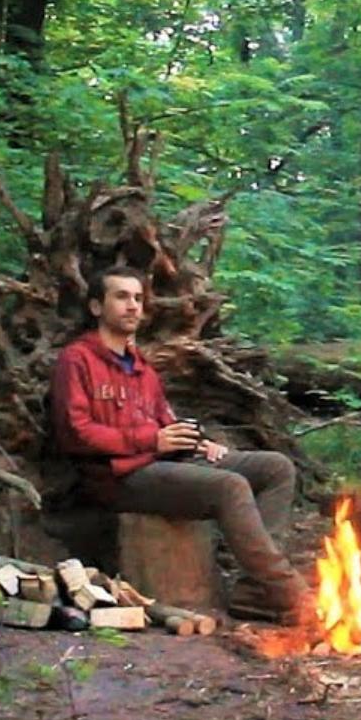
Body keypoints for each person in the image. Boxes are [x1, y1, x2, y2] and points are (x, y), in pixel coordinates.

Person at [50, 264, 311, 625]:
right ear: (97, 307)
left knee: (275, 468)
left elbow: (164, 420)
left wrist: (198, 443)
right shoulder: (77, 359)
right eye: (122, 297)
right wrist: (151, 439)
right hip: (119, 477)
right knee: (230, 487)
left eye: (138, 299)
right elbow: (75, 432)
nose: (133, 307)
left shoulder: (141, 367)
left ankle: (254, 590)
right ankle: (289, 591)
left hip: (162, 463)